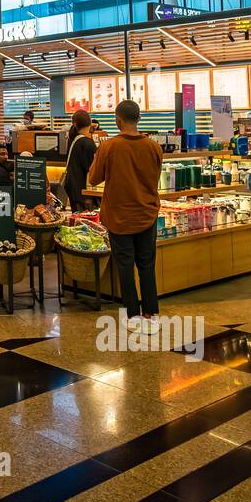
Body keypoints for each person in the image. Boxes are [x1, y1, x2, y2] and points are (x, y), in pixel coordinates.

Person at [87, 100, 163, 334]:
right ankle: (151, 313)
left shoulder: (109, 147)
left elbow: (93, 178)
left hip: (119, 216)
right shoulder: (153, 147)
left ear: (117, 120)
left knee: (125, 266)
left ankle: (133, 315)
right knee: (147, 265)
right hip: (147, 214)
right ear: (138, 119)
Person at [63, 109, 98, 211]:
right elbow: (93, 168)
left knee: (77, 221)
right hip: (83, 191)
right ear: (90, 123)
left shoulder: (73, 139)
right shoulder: (87, 143)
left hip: (72, 187)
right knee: (86, 222)